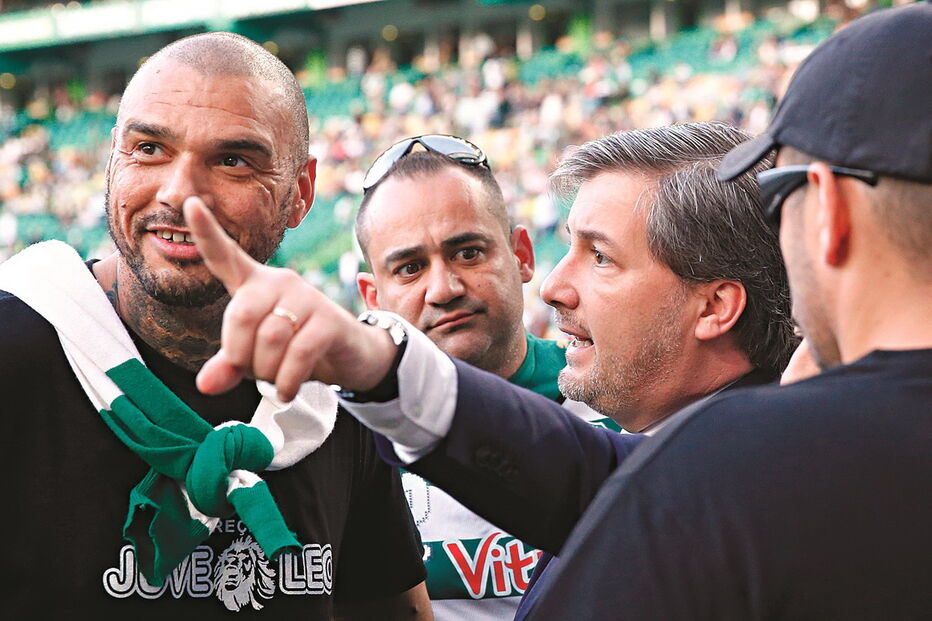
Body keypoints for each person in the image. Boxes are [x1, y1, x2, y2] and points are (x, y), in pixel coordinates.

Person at [179, 121, 796, 616]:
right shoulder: (333, 436)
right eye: (409, 268)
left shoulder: (752, 480)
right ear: (371, 293)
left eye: (601, 257)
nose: (556, 287)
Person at [0, 32, 429, 618]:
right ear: (111, 162)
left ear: (300, 193)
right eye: (149, 148)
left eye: (232, 160)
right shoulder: (16, 349)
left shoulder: (330, 390)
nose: (179, 195)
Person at [353, 135, 625, 620]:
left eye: (468, 253)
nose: (443, 288)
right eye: (410, 268)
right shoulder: (345, 439)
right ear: (372, 295)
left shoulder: (620, 395)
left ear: (521, 254)